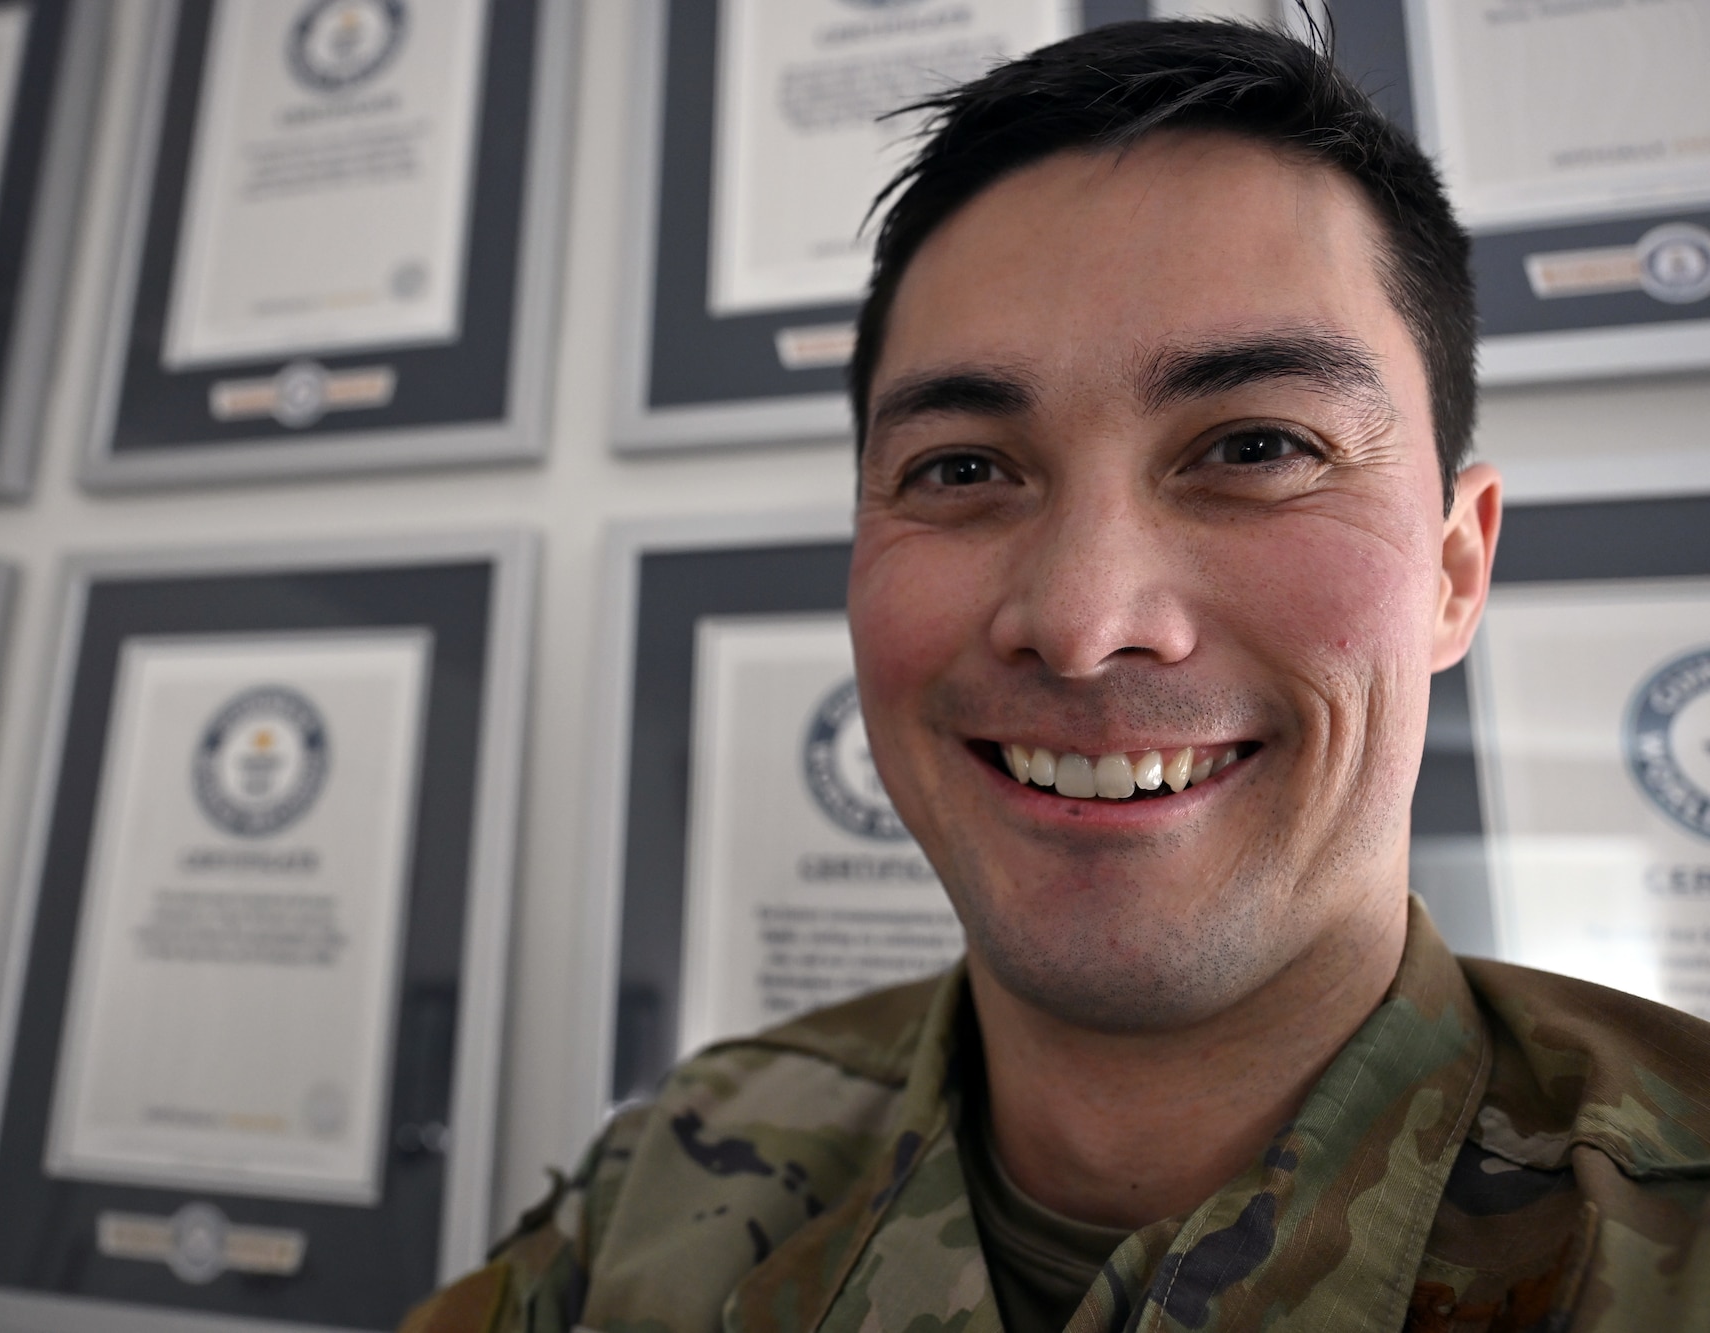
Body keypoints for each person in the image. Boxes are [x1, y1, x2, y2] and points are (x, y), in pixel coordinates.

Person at [408, 18, 1710, 1333]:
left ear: (1454, 569)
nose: (1085, 623)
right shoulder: (660, 1190)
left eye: (1255, 445)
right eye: (964, 468)